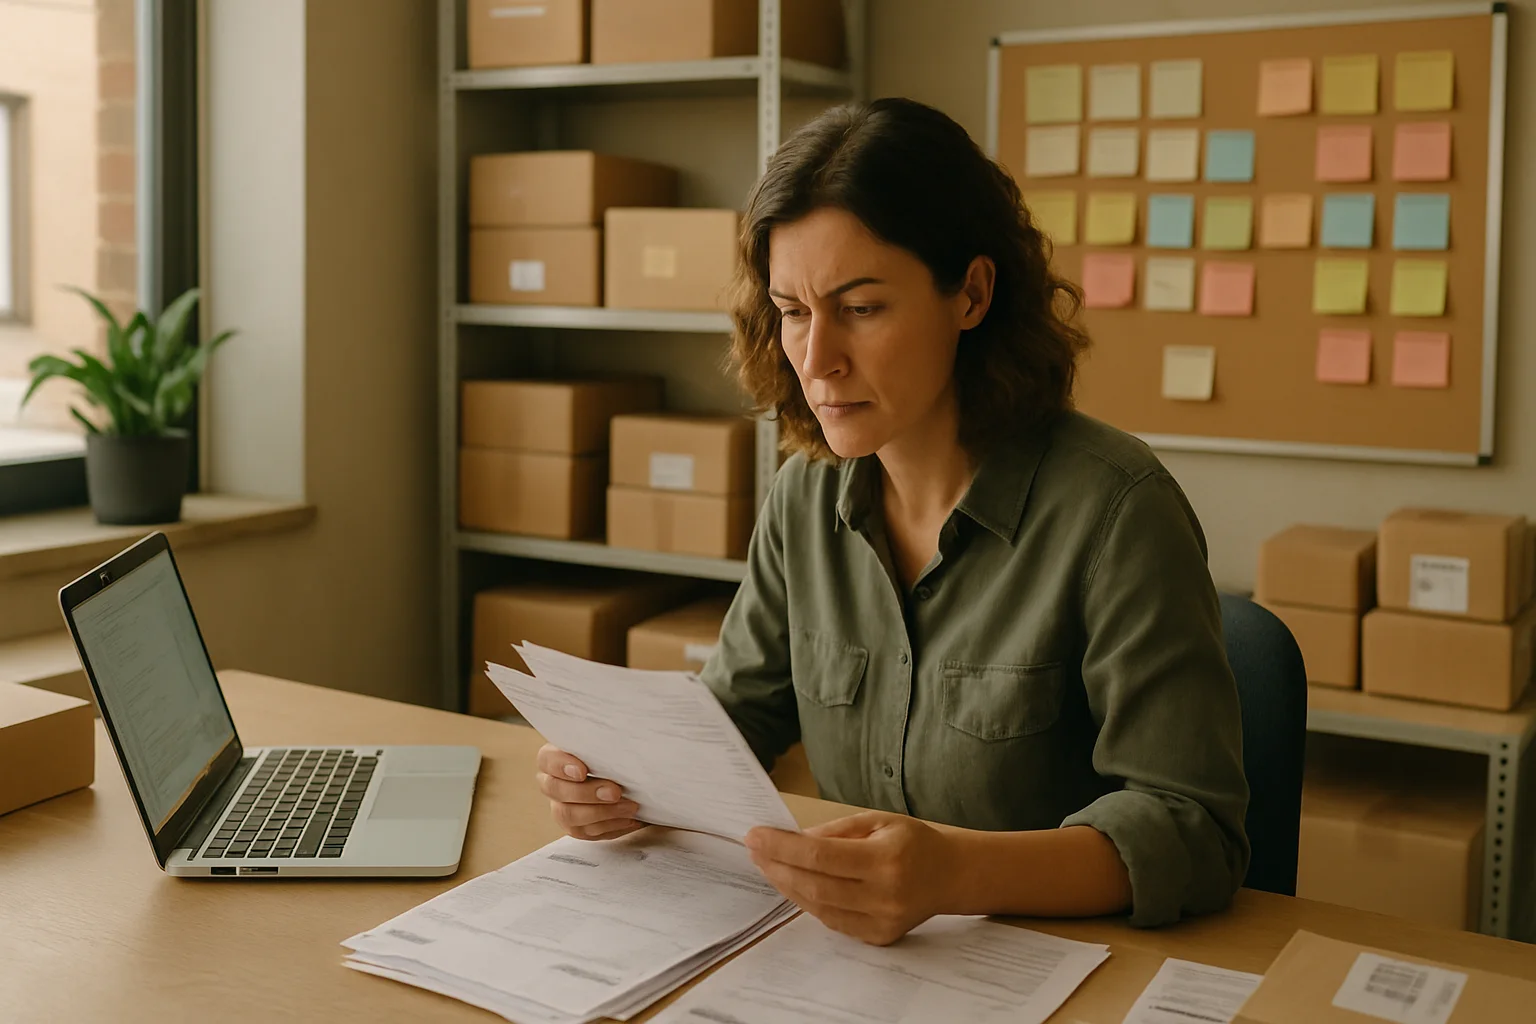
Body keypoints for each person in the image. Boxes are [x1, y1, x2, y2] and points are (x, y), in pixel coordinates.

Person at [535, 97, 1249, 946]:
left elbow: (1193, 828)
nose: (816, 359)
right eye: (793, 311)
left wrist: (956, 873)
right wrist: (623, 778)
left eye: (862, 307)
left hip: (1062, 965)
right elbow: (737, 718)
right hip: (859, 966)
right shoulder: (805, 498)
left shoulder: (1116, 510)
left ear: (972, 294)